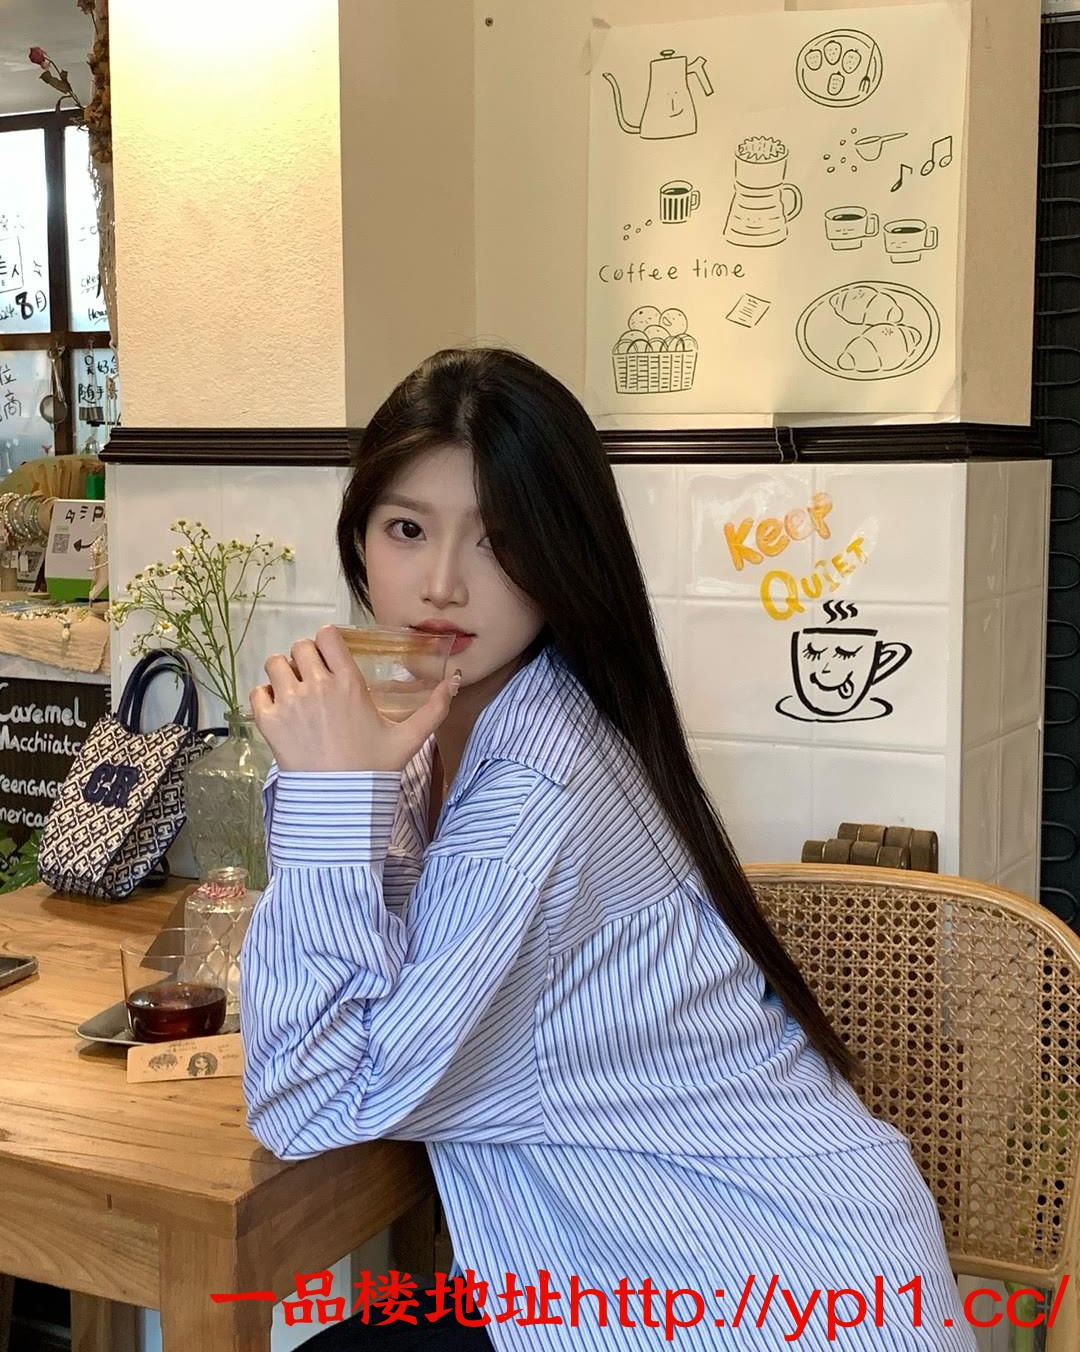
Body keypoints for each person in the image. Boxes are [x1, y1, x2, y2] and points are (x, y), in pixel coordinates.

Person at [240, 348, 978, 1350]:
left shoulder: (537, 792)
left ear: (563, 559)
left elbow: (309, 1096)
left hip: (770, 1298)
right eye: (407, 529)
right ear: (360, 539)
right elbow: (370, 1005)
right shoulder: (443, 730)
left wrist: (331, 792)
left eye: (500, 542)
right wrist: (347, 776)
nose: (441, 585)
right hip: (627, 1273)